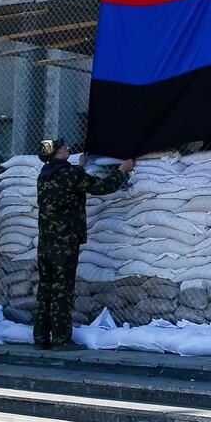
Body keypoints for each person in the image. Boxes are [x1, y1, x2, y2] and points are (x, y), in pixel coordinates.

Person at [34, 140, 134, 350]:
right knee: (62, 292)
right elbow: (102, 187)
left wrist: (80, 167)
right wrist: (121, 170)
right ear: (58, 154)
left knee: (45, 291)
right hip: (65, 243)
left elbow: (67, 183)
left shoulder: (44, 176)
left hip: (46, 243)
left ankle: (41, 338)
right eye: (63, 148)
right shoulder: (71, 174)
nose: (67, 150)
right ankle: (61, 340)